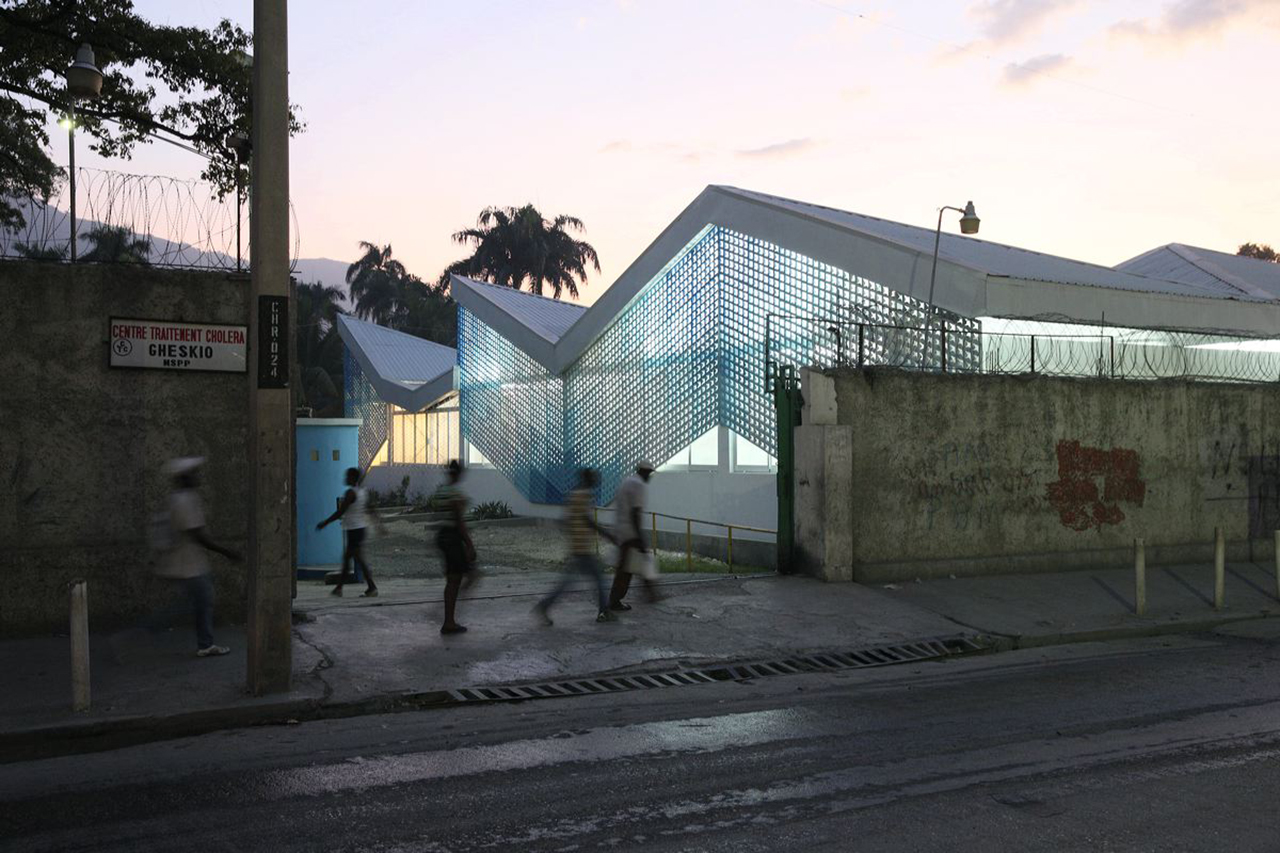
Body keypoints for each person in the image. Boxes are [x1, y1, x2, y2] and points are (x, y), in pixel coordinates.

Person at [138, 457, 242, 657]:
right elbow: (197, 535)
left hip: (187, 564)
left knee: (198, 602)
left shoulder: (180, 498)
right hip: (187, 565)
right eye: (194, 473)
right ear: (185, 477)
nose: (198, 476)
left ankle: (205, 643)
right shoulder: (185, 500)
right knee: (191, 604)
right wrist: (226, 552)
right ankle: (138, 634)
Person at [534, 468, 616, 625]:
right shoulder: (584, 495)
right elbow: (587, 520)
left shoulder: (574, 493)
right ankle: (603, 611)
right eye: (594, 477)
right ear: (588, 479)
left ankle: (544, 606)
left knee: (568, 583)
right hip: (582, 549)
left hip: (578, 547)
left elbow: (567, 519)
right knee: (598, 579)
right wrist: (607, 534)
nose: (597, 480)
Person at [317, 467, 382, 598]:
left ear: (353, 478)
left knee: (357, 559)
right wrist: (379, 525)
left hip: (354, 530)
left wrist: (326, 522)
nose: (345, 478)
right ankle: (339, 588)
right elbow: (371, 509)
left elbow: (341, 511)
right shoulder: (363, 492)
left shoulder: (350, 493)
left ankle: (371, 587)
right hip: (359, 529)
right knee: (349, 559)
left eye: (347, 476)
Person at [608, 459, 660, 611]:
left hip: (622, 530)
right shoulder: (639, 485)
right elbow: (635, 513)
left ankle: (650, 592)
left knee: (632, 565)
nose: (650, 476)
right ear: (644, 472)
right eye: (649, 473)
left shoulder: (627, 482)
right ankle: (615, 600)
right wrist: (640, 537)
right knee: (628, 568)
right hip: (631, 533)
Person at [436, 460, 478, 635]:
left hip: (444, 537)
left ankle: (448, 616)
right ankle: (448, 620)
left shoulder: (441, 491)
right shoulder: (454, 493)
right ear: (459, 474)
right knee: (458, 580)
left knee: (454, 580)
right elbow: (459, 521)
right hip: (453, 538)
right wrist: (469, 544)